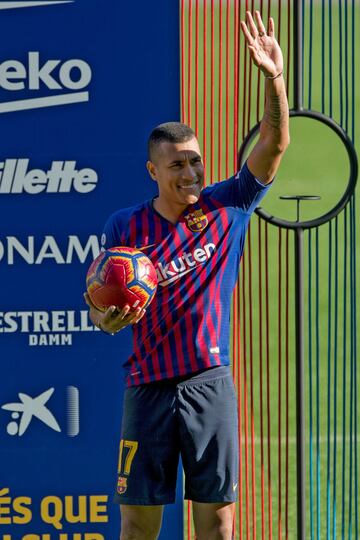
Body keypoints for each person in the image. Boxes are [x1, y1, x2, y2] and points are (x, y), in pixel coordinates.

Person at [85, 10, 289, 540]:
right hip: (147, 388)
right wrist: (106, 319)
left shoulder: (228, 205)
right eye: (177, 164)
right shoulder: (125, 225)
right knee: (137, 524)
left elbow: (274, 144)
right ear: (153, 170)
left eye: (196, 161)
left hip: (208, 385)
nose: (192, 173)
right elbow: (103, 310)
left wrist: (274, 79)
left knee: (217, 523)